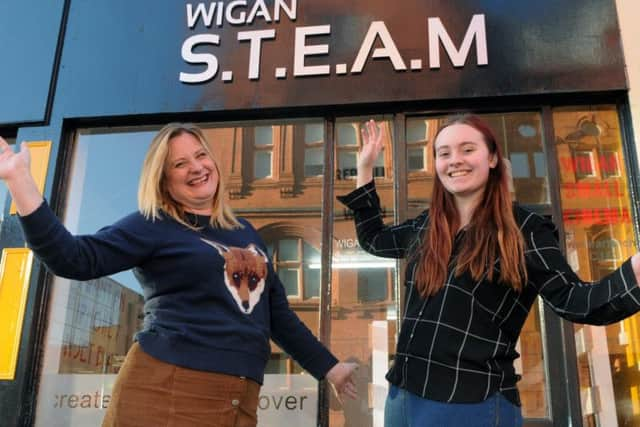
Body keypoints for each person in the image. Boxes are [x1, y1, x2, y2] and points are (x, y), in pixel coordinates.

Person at [0, 123, 357, 427]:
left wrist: (330, 368)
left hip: (240, 396)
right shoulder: (154, 225)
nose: (197, 167)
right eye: (180, 163)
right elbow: (74, 259)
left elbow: (277, 314)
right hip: (165, 387)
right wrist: (20, 181)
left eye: (201, 155)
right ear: (165, 180)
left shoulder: (246, 233)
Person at [337, 115, 640, 427]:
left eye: (467, 150)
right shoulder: (428, 225)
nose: (455, 160)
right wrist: (365, 167)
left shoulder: (524, 230)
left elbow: (575, 300)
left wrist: (633, 272)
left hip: (471, 402)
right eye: (444, 153)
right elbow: (374, 239)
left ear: (492, 157)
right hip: (403, 396)